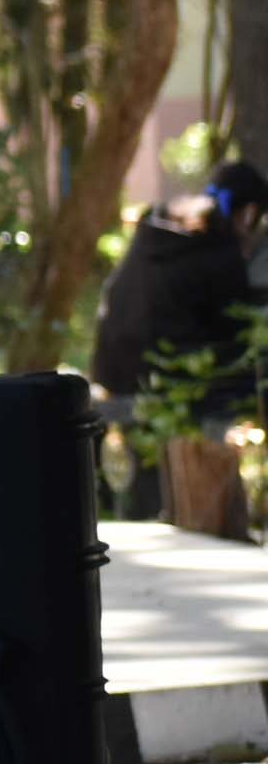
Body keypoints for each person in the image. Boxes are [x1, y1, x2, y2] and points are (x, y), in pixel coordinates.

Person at [91, 163, 268, 529]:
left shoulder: (154, 230)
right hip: (173, 387)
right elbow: (235, 333)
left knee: (148, 483)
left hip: (115, 371)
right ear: (249, 212)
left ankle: (152, 513)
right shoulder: (219, 252)